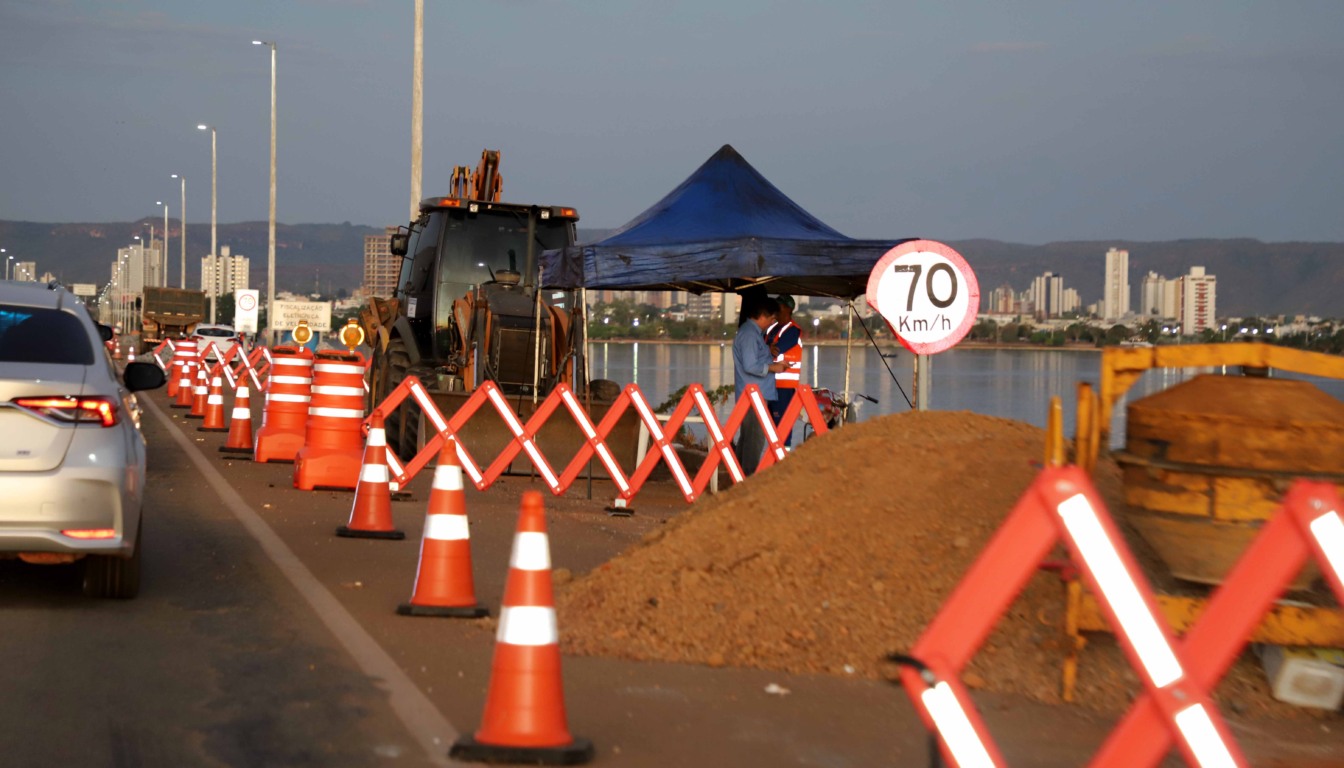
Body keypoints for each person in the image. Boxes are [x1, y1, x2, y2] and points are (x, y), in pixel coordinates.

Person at [733, 296, 787, 476]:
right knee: (754, 440)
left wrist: (768, 354)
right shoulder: (749, 334)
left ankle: (738, 476)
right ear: (763, 315)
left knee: (748, 438)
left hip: (754, 394)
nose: (772, 323)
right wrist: (774, 367)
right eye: (772, 319)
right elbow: (750, 366)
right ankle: (748, 478)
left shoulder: (753, 333)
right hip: (753, 395)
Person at [765, 294, 803, 447]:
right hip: (770, 384)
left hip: (785, 388)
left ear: (788, 309)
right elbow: (765, 349)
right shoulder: (772, 328)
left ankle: (783, 459)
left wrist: (767, 348)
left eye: (779, 307)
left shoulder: (793, 330)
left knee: (783, 425)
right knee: (771, 426)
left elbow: (775, 350)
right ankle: (774, 458)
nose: (775, 310)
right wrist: (767, 348)